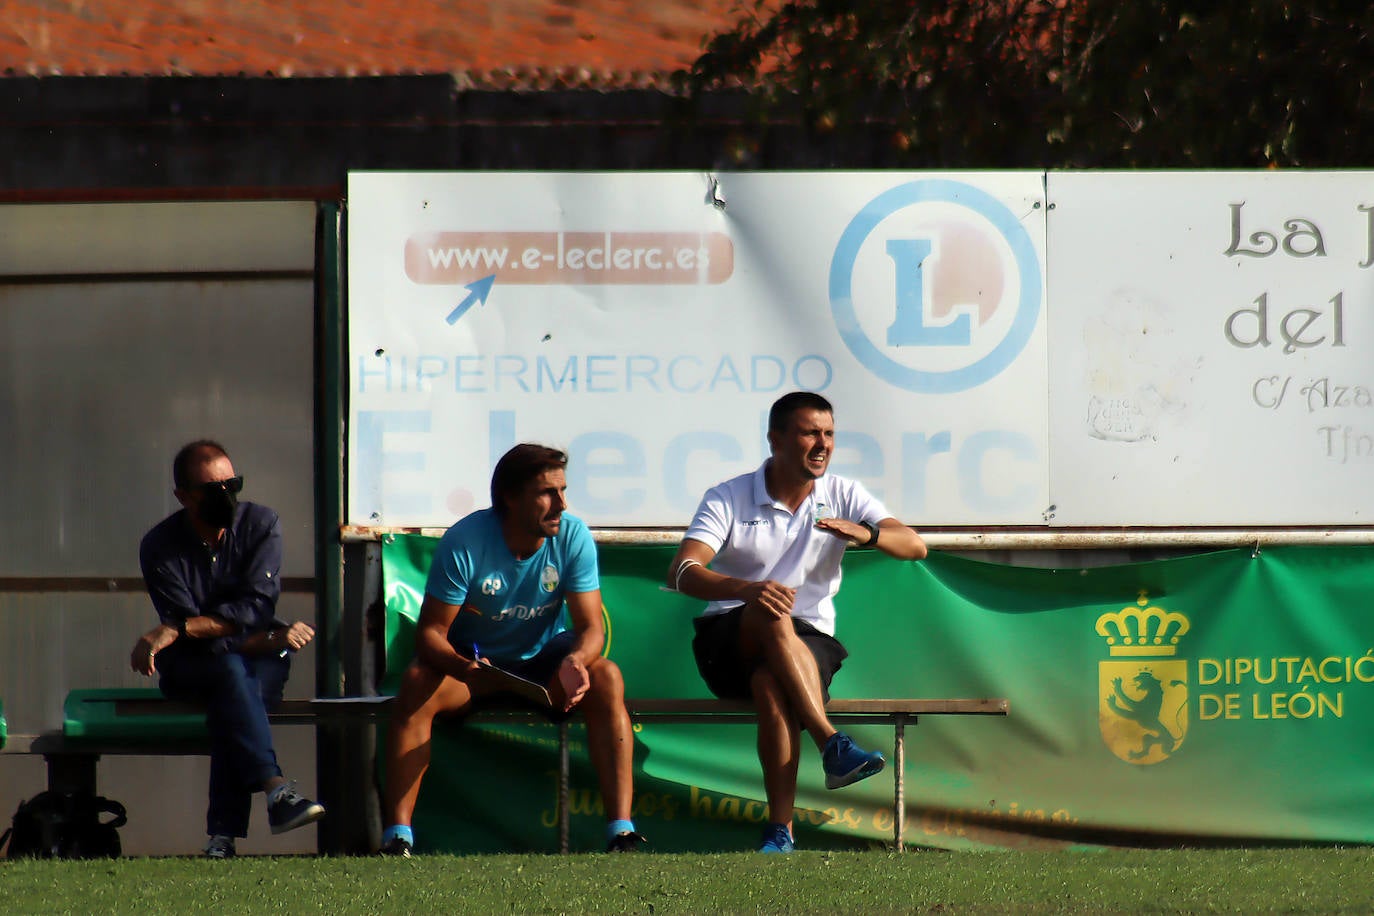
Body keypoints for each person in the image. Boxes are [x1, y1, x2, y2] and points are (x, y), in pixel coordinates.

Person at [666, 391, 928, 853]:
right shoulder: (729, 496)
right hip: (728, 638)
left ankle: (780, 831)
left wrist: (866, 534)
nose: (822, 443)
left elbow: (914, 546)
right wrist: (747, 589)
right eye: (809, 433)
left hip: (808, 642)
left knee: (771, 684)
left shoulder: (843, 493)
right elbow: (683, 571)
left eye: (828, 434)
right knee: (771, 611)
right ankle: (830, 742)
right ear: (776, 439)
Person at [379, 443, 645, 856]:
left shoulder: (572, 534)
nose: (561, 503)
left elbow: (591, 626)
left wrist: (576, 660)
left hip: (544, 665)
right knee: (416, 681)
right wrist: (466, 668)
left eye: (563, 491)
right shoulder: (467, 540)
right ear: (510, 497)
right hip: (475, 668)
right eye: (547, 493)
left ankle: (622, 833)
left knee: (607, 676)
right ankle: (398, 838)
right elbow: (431, 633)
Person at [130, 440, 324, 859]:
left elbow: (255, 608)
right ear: (183, 496)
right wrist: (268, 636)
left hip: (251, 661)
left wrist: (179, 628)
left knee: (233, 689)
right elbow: (208, 634)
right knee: (232, 678)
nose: (226, 496)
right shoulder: (160, 545)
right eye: (211, 489)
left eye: (231, 484)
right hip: (191, 666)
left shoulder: (261, 524)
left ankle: (223, 837)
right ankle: (275, 790)